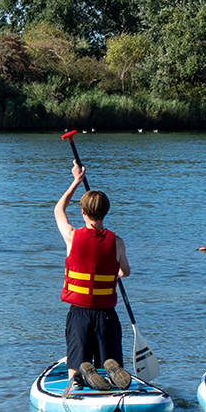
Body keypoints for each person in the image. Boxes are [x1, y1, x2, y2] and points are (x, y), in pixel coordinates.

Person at [53, 159, 132, 391]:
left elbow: (58, 210)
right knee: (111, 360)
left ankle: (80, 378)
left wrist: (76, 181)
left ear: (83, 212)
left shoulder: (72, 236)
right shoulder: (117, 242)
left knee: (75, 368)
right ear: (106, 212)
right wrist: (114, 275)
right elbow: (125, 271)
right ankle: (112, 374)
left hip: (80, 314)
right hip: (107, 315)